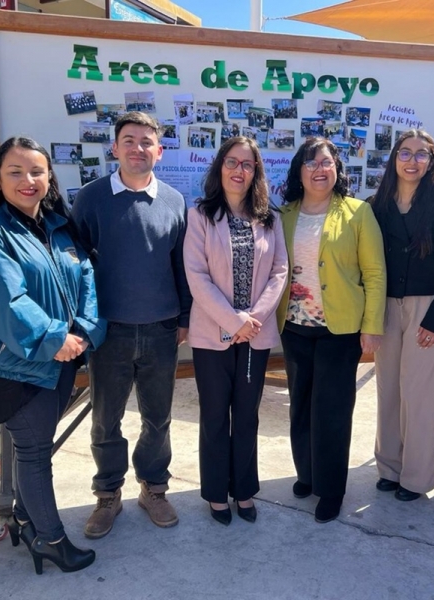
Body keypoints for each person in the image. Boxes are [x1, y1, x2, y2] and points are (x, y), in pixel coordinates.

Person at [0, 137, 106, 573]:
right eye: (15, 172)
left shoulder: (60, 227)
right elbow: (7, 300)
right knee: (32, 454)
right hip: (18, 366)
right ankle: (50, 540)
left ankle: (27, 522)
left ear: (49, 177)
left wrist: (83, 332)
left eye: (36, 171)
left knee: (36, 450)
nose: (28, 181)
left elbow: (86, 279)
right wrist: (54, 339)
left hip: (64, 358)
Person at [71, 112, 191, 539]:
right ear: (115, 148)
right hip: (109, 333)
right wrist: (84, 323)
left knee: (157, 419)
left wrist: (184, 318)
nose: (138, 148)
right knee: (106, 420)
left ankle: (154, 489)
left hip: (161, 330)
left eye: (146, 142)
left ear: (159, 151)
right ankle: (107, 496)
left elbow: (181, 265)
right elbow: (76, 266)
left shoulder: (175, 201)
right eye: (129, 140)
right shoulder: (90, 198)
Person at [276, 137, 386, 523]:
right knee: (301, 405)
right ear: (299, 171)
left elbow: (374, 272)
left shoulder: (357, 213)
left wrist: (372, 326)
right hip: (295, 327)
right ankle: (307, 473)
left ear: (337, 169)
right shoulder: (284, 214)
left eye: (326, 162)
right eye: (310, 163)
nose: (319, 169)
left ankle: (331, 487)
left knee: (333, 410)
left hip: (341, 330)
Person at [184, 137, 288, 525]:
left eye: (247, 164)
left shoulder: (269, 218)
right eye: (232, 162)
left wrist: (253, 319)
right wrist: (233, 321)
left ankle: (243, 489)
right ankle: (215, 494)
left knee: (247, 416)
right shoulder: (200, 215)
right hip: (213, 337)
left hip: (255, 336)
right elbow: (196, 276)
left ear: (256, 171)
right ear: (220, 167)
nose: (239, 170)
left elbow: (279, 271)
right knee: (214, 416)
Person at [368, 130, 434, 502]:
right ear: (394, 159)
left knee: (420, 394)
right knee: (388, 389)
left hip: (427, 306)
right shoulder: (377, 205)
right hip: (385, 305)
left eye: (421, 154)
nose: (412, 161)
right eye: (405, 153)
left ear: (431, 161)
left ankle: (416, 477)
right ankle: (389, 467)